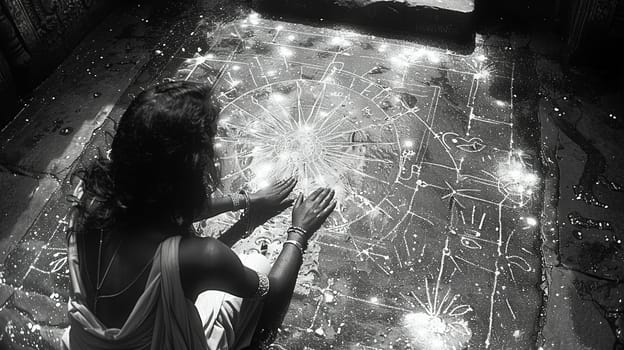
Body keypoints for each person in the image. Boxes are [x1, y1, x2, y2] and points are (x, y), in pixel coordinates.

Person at [62, 81, 336, 350]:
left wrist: (246, 200)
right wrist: (299, 231)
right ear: (190, 170)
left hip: (85, 343)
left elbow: (161, 201)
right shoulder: (202, 257)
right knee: (257, 264)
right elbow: (274, 292)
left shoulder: (90, 202)